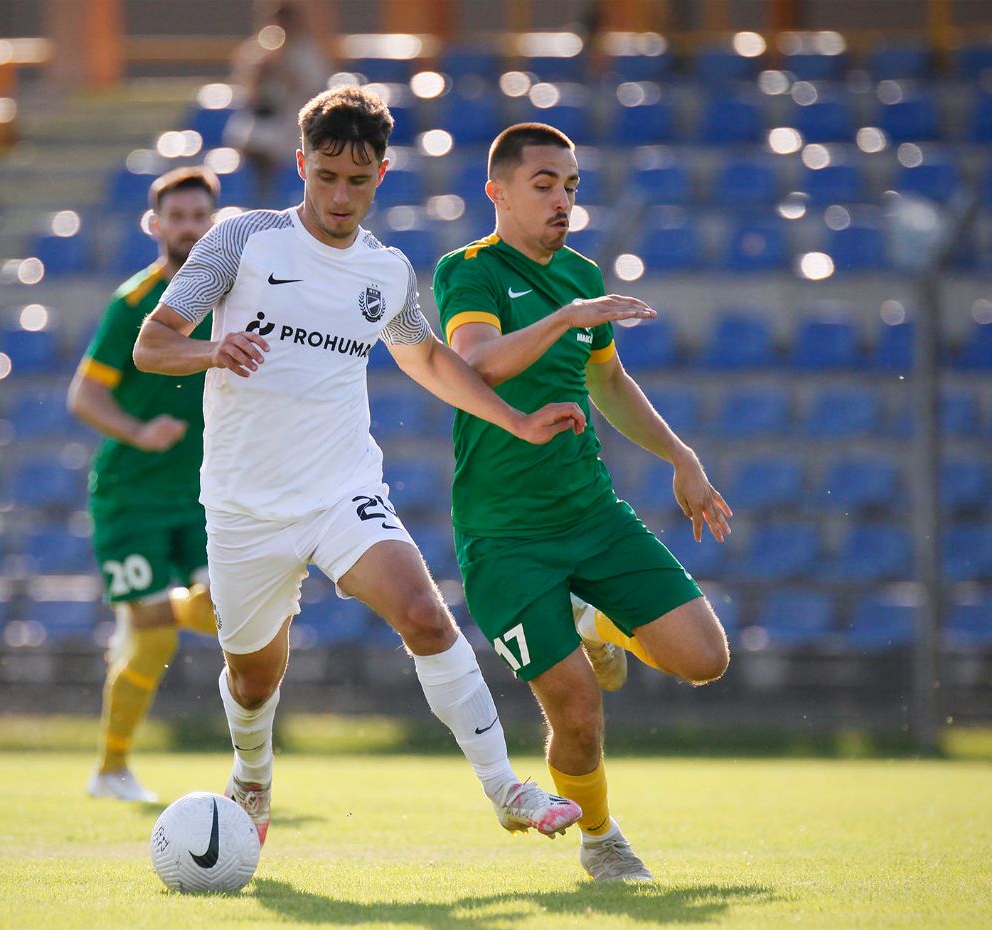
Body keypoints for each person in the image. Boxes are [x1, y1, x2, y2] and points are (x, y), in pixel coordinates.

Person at [133, 86, 587, 848]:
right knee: (253, 678)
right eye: (326, 177)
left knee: (424, 613)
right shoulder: (242, 241)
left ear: (381, 174)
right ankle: (253, 772)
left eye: (358, 179)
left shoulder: (385, 271)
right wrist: (213, 348)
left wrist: (514, 419)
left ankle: (506, 786)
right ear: (301, 165)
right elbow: (153, 343)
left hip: (342, 490)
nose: (341, 196)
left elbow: (429, 359)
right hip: (245, 505)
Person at [432, 122, 734, 882]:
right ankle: (602, 840)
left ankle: (593, 621)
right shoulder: (468, 271)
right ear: (498, 192)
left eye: (570, 186)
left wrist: (682, 456)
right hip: (505, 537)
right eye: (544, 185)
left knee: (706, 659)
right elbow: (477, 363)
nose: (562, 200)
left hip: (591, 515)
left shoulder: (580, 273)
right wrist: (566, 316)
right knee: (575, 710)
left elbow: (609, 382)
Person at [68, 166, 223, 802]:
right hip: (132, 496)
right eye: (176, 217)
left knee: (227, 613)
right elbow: (84, 395)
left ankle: (157, 610)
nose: (188, 228)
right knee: (156, 634)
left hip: (206, 495)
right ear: (154, 225)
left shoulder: (233, 298)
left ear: (215, 223)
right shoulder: (134, 304)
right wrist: (138, 431)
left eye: (199, 217)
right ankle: (110, 770)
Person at [224, 0, 331, 205]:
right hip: (263, 120)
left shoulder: (307, 53)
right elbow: (246, 94)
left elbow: (317, 94)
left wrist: (286, 73)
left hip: (296, 123)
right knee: (249, 140)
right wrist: (260, 73)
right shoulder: (260, 49)